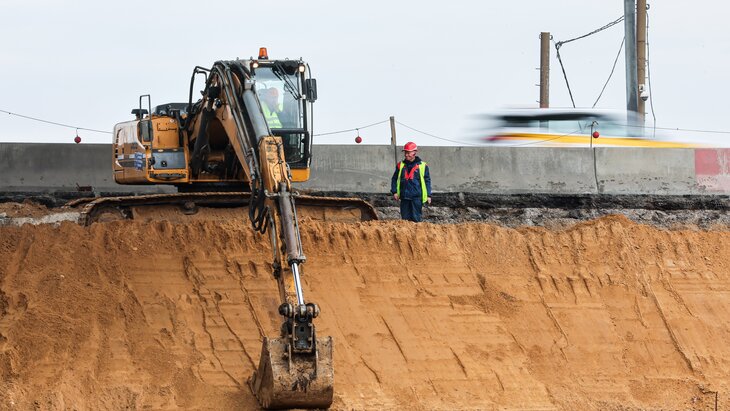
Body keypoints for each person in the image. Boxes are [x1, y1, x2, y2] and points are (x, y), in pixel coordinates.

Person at [390, 141, 432, 222]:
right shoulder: (400, 165)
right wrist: (394, 192)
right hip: (404, 197)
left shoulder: (423, 166)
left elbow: (427, 181)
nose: (406, 155)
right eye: (405, 152)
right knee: (405, 221)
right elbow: (394, 179)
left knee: (416, 220)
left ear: (414, 152)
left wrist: (428, 195)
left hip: (416, 198)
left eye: (408, 152)